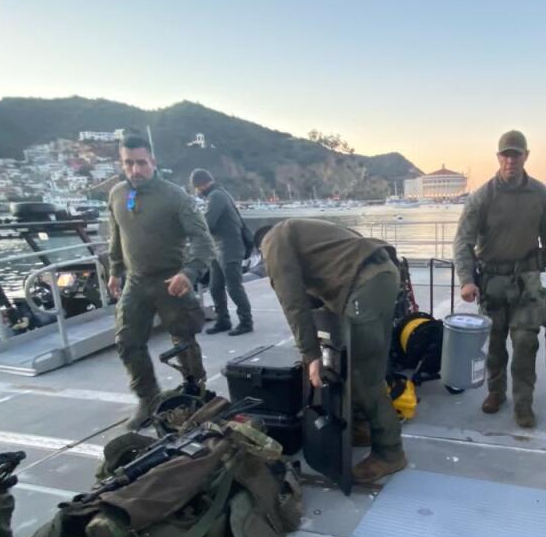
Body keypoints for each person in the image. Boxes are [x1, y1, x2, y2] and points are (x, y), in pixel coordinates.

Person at [255, 219, 407, 484]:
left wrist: (310, 354)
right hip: (383, 275)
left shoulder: (273, 242)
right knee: (369, 360)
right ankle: (362, 426)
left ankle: (389, 452)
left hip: (364, 286)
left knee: (362, 374)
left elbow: (293, 301)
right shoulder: (305, 230)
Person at [453, 130, 546, 428]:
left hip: (527, 281)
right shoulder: (482, 197)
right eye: (505, 154)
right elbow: (462, 242)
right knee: (494, 343)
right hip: (491, 282)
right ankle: (496, 391)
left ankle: (523, 403)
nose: (510, 160)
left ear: (526, 155)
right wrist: (467, 279)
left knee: (526, 342)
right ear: (498, 157)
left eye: (516, 154)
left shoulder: (540, 194)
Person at [107, 133, 216, 429]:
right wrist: (115, 269)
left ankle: (197, 392)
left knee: (184, 338)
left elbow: (202, 240)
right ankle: (148, 399)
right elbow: (117, 235)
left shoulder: (175, 196)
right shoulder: (117, 194)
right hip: (136, 282)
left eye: (141, 163)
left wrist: (189, 272)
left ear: (153, 162)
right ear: (122, 163)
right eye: (129, 163)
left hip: (171, 280)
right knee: (128, 342)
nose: (135, 170)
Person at [189, 168, 253, 336]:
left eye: (196, 187)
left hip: (230, 247)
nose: (197, 191)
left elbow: (208, 223)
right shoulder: (218, 194)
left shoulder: (217, 196)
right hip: (218, 248)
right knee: (215, 287)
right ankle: (223, 320)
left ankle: (246, 321)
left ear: (201, 185)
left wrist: (192, 225)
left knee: (233, 287)